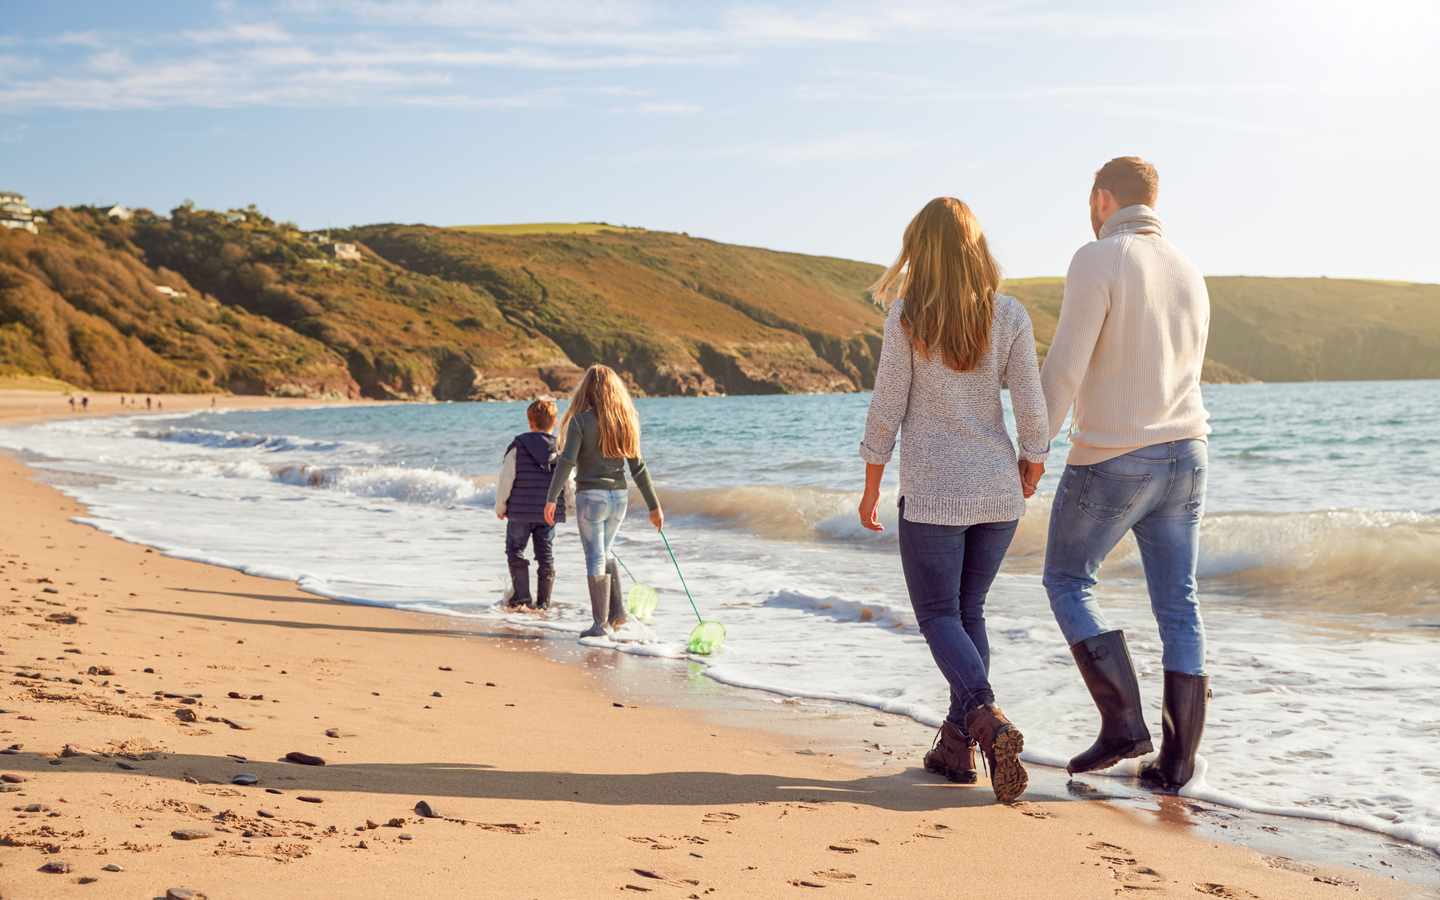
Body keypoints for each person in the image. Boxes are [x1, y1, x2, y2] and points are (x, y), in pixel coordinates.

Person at [858, 197, 1049, 804]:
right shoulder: (1010, 314)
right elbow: (1031, 402)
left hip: (935, 495)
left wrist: (870, 485)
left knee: (940, 617)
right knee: (969, 616)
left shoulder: (908, 316)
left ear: (922, 251)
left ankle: (986, 720)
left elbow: (887, 406)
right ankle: (956, 749)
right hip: (997, 492)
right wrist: (1034, 461)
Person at [1040, 157, 1211, 790]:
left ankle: (1123, 725)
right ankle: (1175, 763)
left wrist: (1033, 447)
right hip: (1189, 451)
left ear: (1102, 197)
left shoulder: (1100, 256)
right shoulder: (1189, 269)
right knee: (1179, 604)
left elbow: (1065, 367)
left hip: (1116, 453)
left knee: (1065, 578)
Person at [544, 365, 663, 639]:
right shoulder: (626, 420)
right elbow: (639, 467)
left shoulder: (580, 421)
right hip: (618, 498)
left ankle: (600, 625)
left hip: (591, 498)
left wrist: (551, 498)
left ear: (587, 389)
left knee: (596, 556)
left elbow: (567, 461)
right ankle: (618, 614)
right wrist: (654, 506)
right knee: (606, 552)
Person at [495, 398, 566, 610]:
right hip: (548, 513)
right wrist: (569, 507)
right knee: (545, 555)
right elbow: (567, 480)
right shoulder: (560, 448)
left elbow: (506, 478)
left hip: (520, 512)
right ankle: (544, 603)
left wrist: (501, 506)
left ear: (530, 421)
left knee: (515, 550)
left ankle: (523, 598)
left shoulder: (518, 446)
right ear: (554, 422)